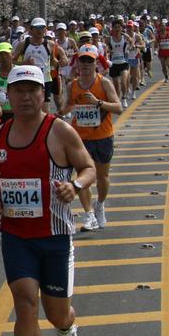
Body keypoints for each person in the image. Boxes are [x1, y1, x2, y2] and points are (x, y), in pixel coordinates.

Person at [0, 65, 94, 336]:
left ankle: (66, 326)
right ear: (8, 95)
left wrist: (74, 186)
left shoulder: (59, 131)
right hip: (17, 236)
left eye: (33, 90)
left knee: (56, 313)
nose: (26, 97)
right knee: (25, 301)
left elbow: (88, 167)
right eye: (19, 90)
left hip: (55, 236)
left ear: (43, 94)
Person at [61, 45, 121, 231]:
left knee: (102, 177)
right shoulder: (72, 85)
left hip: (103, 135)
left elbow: (118, 107)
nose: (86, 64)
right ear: (77, 63)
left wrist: (98, 102)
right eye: (83, 60)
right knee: (82, 176)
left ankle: (99, 205)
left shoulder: (104, 83)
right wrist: (58, 113)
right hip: (80, 138)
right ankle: (88, 215)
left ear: (96, 63)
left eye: (90, 61)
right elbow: (68, 106)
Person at [15, 18, 63, 114]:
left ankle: (45, 124)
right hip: (29, 78)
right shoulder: (23, 44)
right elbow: (13, 61)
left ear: (45, 29)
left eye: (42, 28)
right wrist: (25, 63)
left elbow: (52, 61)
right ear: (31, 29)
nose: (39, 30)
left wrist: (60, 62)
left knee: (45, 109)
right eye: (37, 28)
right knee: (31, 107)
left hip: (45, 79)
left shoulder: (50, 44)